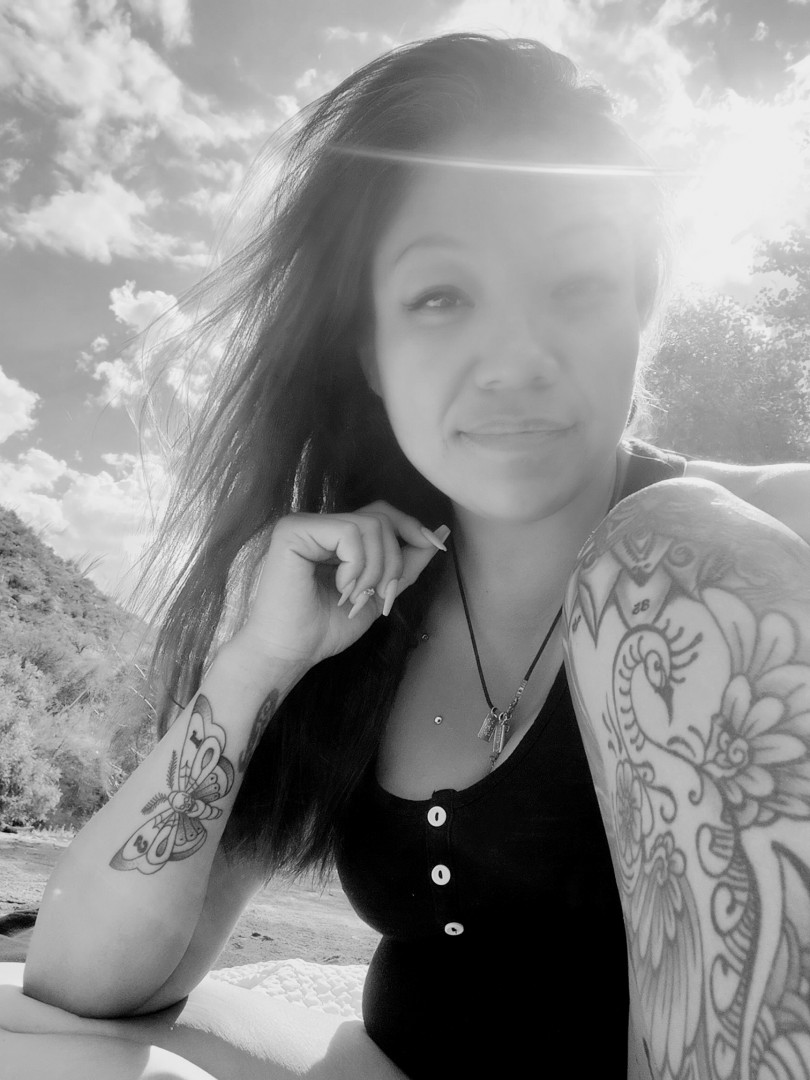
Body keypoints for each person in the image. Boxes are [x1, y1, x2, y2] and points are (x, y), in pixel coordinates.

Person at [2, 31, 810, 1080]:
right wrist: (256, 666)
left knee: (673, 556)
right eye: (440, 297)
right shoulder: (361, 603)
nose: (515, 359)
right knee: (22, 1031)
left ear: (640, 309)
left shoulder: (758, 539)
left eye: (576, 283)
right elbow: (82, 981)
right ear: (371, 354)